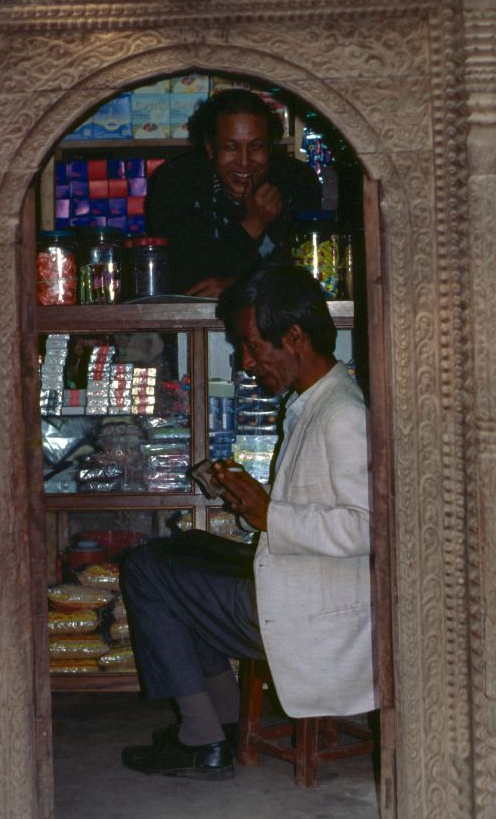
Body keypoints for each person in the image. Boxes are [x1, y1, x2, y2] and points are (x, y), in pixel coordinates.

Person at [119, 265, 375, 780]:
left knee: (148, 570)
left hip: (317, 608)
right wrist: (249, 500)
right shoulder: (313, 402)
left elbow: (366, 528)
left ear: (295, 337)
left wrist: (268, 514)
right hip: (302, 578)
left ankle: (202, 737)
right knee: (180, 553)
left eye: (255, 347)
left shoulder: (342, 414)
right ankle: (224, 726)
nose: (246, 361)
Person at [145, 87, 321, 296]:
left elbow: (311, 274)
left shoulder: (297, 181)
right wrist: (253, 224)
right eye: (231, 147)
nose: (245, 162)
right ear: (211, 148)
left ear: (270, 148)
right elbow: (187, 280)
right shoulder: (176, 181)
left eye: (256, 147)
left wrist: (236, 285)